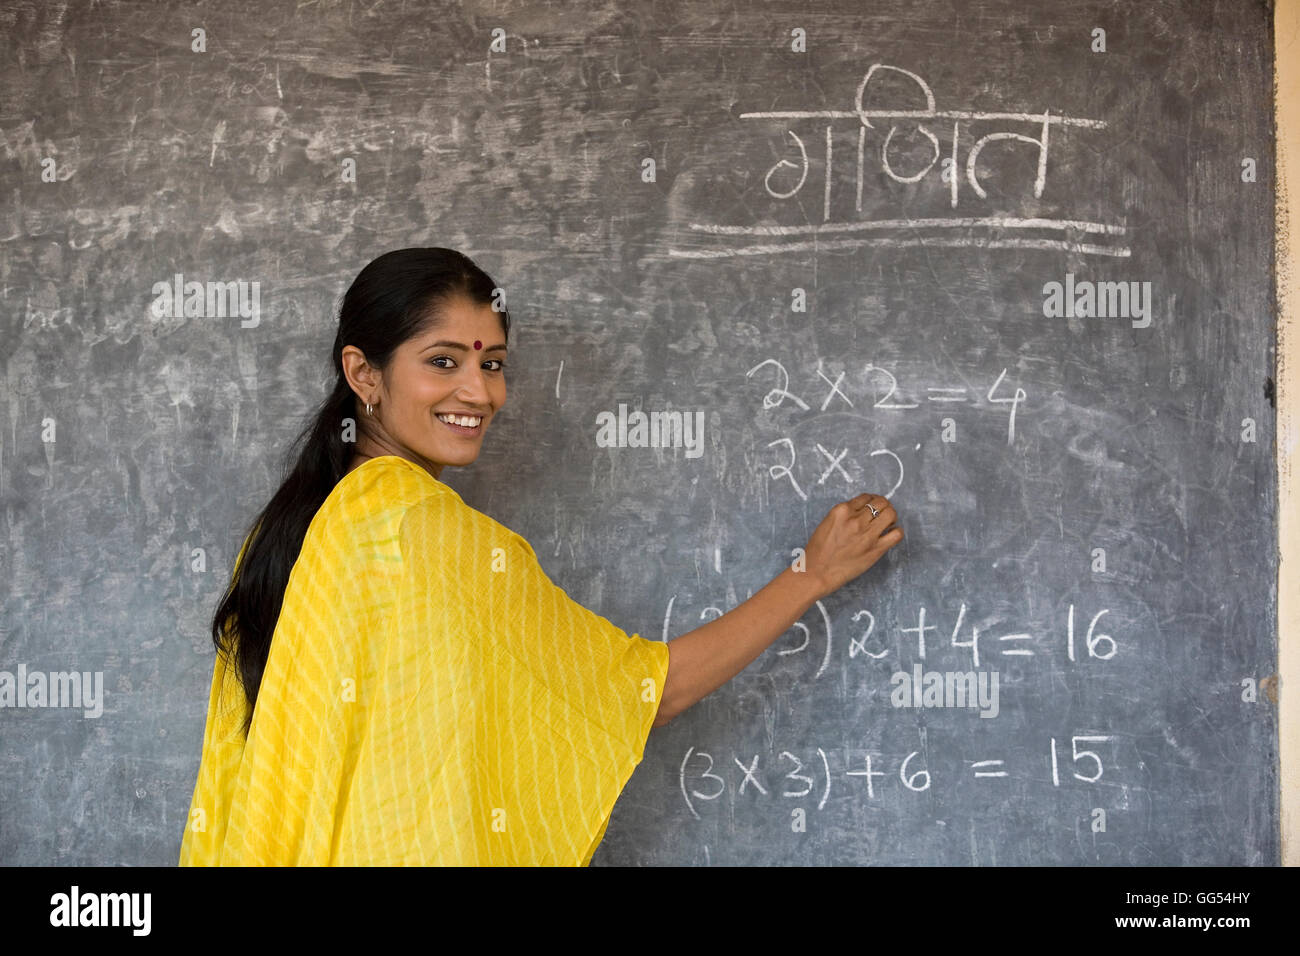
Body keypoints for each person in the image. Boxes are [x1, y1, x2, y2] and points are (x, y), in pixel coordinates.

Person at [178, 247, 903, 866]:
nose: (479, 392)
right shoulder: (431, 535)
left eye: (491, 363)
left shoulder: (287, 533)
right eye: (443, 362)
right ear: (364, 375)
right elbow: (648, 692)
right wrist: (813, 574)